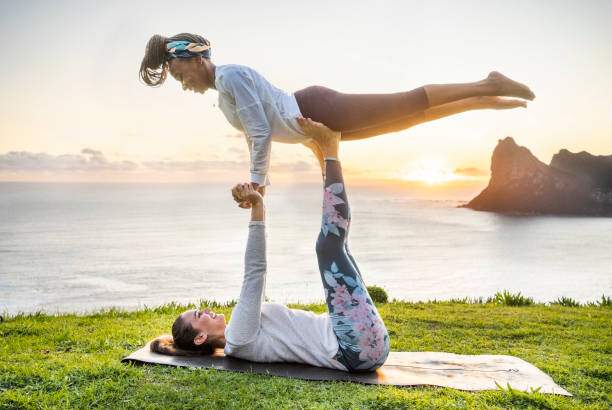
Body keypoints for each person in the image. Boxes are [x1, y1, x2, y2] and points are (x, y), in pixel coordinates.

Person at [139, 33, 535, 204]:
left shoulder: (229, 75)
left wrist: (258, 183)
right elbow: (255, 131)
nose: (181, 83)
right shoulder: (224, 92)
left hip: (318, 108)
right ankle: (481, 99)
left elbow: (261, 132)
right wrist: (309, 153)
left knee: (406, 102)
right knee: (407, 120)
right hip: (315, 126)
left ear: (196, 58)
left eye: (178, 73)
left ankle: (485, 82)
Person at [151, 118, 389, 372]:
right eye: (199, 315)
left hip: (357, 344)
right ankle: (330, 150)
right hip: (355, 346)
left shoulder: (239, 335)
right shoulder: (238, 336)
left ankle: (325, 156)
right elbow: (255, 271)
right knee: (328, 247)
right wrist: (257, 206)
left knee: (340, 248)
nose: (207, 309)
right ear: (200, 338)